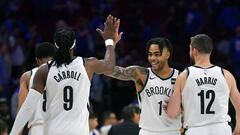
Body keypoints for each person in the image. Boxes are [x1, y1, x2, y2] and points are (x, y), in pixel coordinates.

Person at [10, 15, 122, 135]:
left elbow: (27, 108)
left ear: (55, 45)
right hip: (79, 131)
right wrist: (109, 41)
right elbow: (109, 66)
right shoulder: (87, 64)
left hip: (53, 130)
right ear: (74, 44)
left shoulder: (44, 70)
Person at [104, 37, 182, 135]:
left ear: (167, 54)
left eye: (157, 54)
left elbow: (191, 106)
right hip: (148, 132)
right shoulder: (141, 74)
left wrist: (181, 109)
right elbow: (107, 70)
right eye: (150, 54)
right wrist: (110, 44)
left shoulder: (180, 77)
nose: (152, 58)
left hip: (172, 132)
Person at [166, 34, 240, 135]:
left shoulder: (184, 76)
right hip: (221, 129)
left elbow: (172, 113)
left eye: (190, 49)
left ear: (194, 51)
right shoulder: (226, 75)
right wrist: (238, 129)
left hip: (196, 130)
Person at [17, 42, 55, 135]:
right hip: (59, 126)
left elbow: (22, 110)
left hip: (37, 129)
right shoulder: (65, 75)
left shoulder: (27, 76)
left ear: (37, 60)